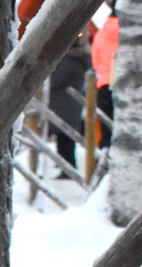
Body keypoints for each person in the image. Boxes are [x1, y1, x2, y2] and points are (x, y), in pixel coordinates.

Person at [48, 32, 92, 169]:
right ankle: (65, 164)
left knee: (64, 137)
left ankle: (67, 166)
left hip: (64, 104)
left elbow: (55, 80)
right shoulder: (78, 60)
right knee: (65, 136)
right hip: (69, 105)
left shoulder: (68, 62)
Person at [92, 3, 119, 149]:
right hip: (123, 83)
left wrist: (104, 73)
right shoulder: (130, 35)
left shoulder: (100, 34)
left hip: (104, 84)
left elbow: (95, 61)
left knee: (105, 124)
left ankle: (105, 152)